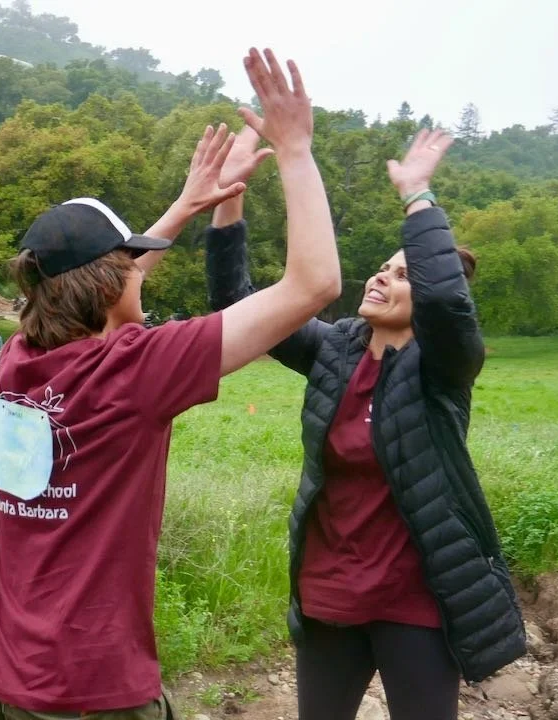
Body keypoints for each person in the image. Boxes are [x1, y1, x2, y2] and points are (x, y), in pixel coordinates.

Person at [0, 48, 341, 720]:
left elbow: (100, 286)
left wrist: (186, 207)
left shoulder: (18, 359)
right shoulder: (137, 369)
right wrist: (296, 149)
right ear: (112, 283)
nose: (145, 270)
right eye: (134, 264)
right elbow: (313, 284)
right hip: (88, 691)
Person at [204, 128, 525, 720]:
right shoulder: (334, 350)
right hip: (331, 592)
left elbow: (450, 305)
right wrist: (231, 195)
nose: (381, 277)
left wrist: (418, 196)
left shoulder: (444, 368)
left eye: (403, 275)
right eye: (383, 268)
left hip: (417, 600)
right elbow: (239, 304)